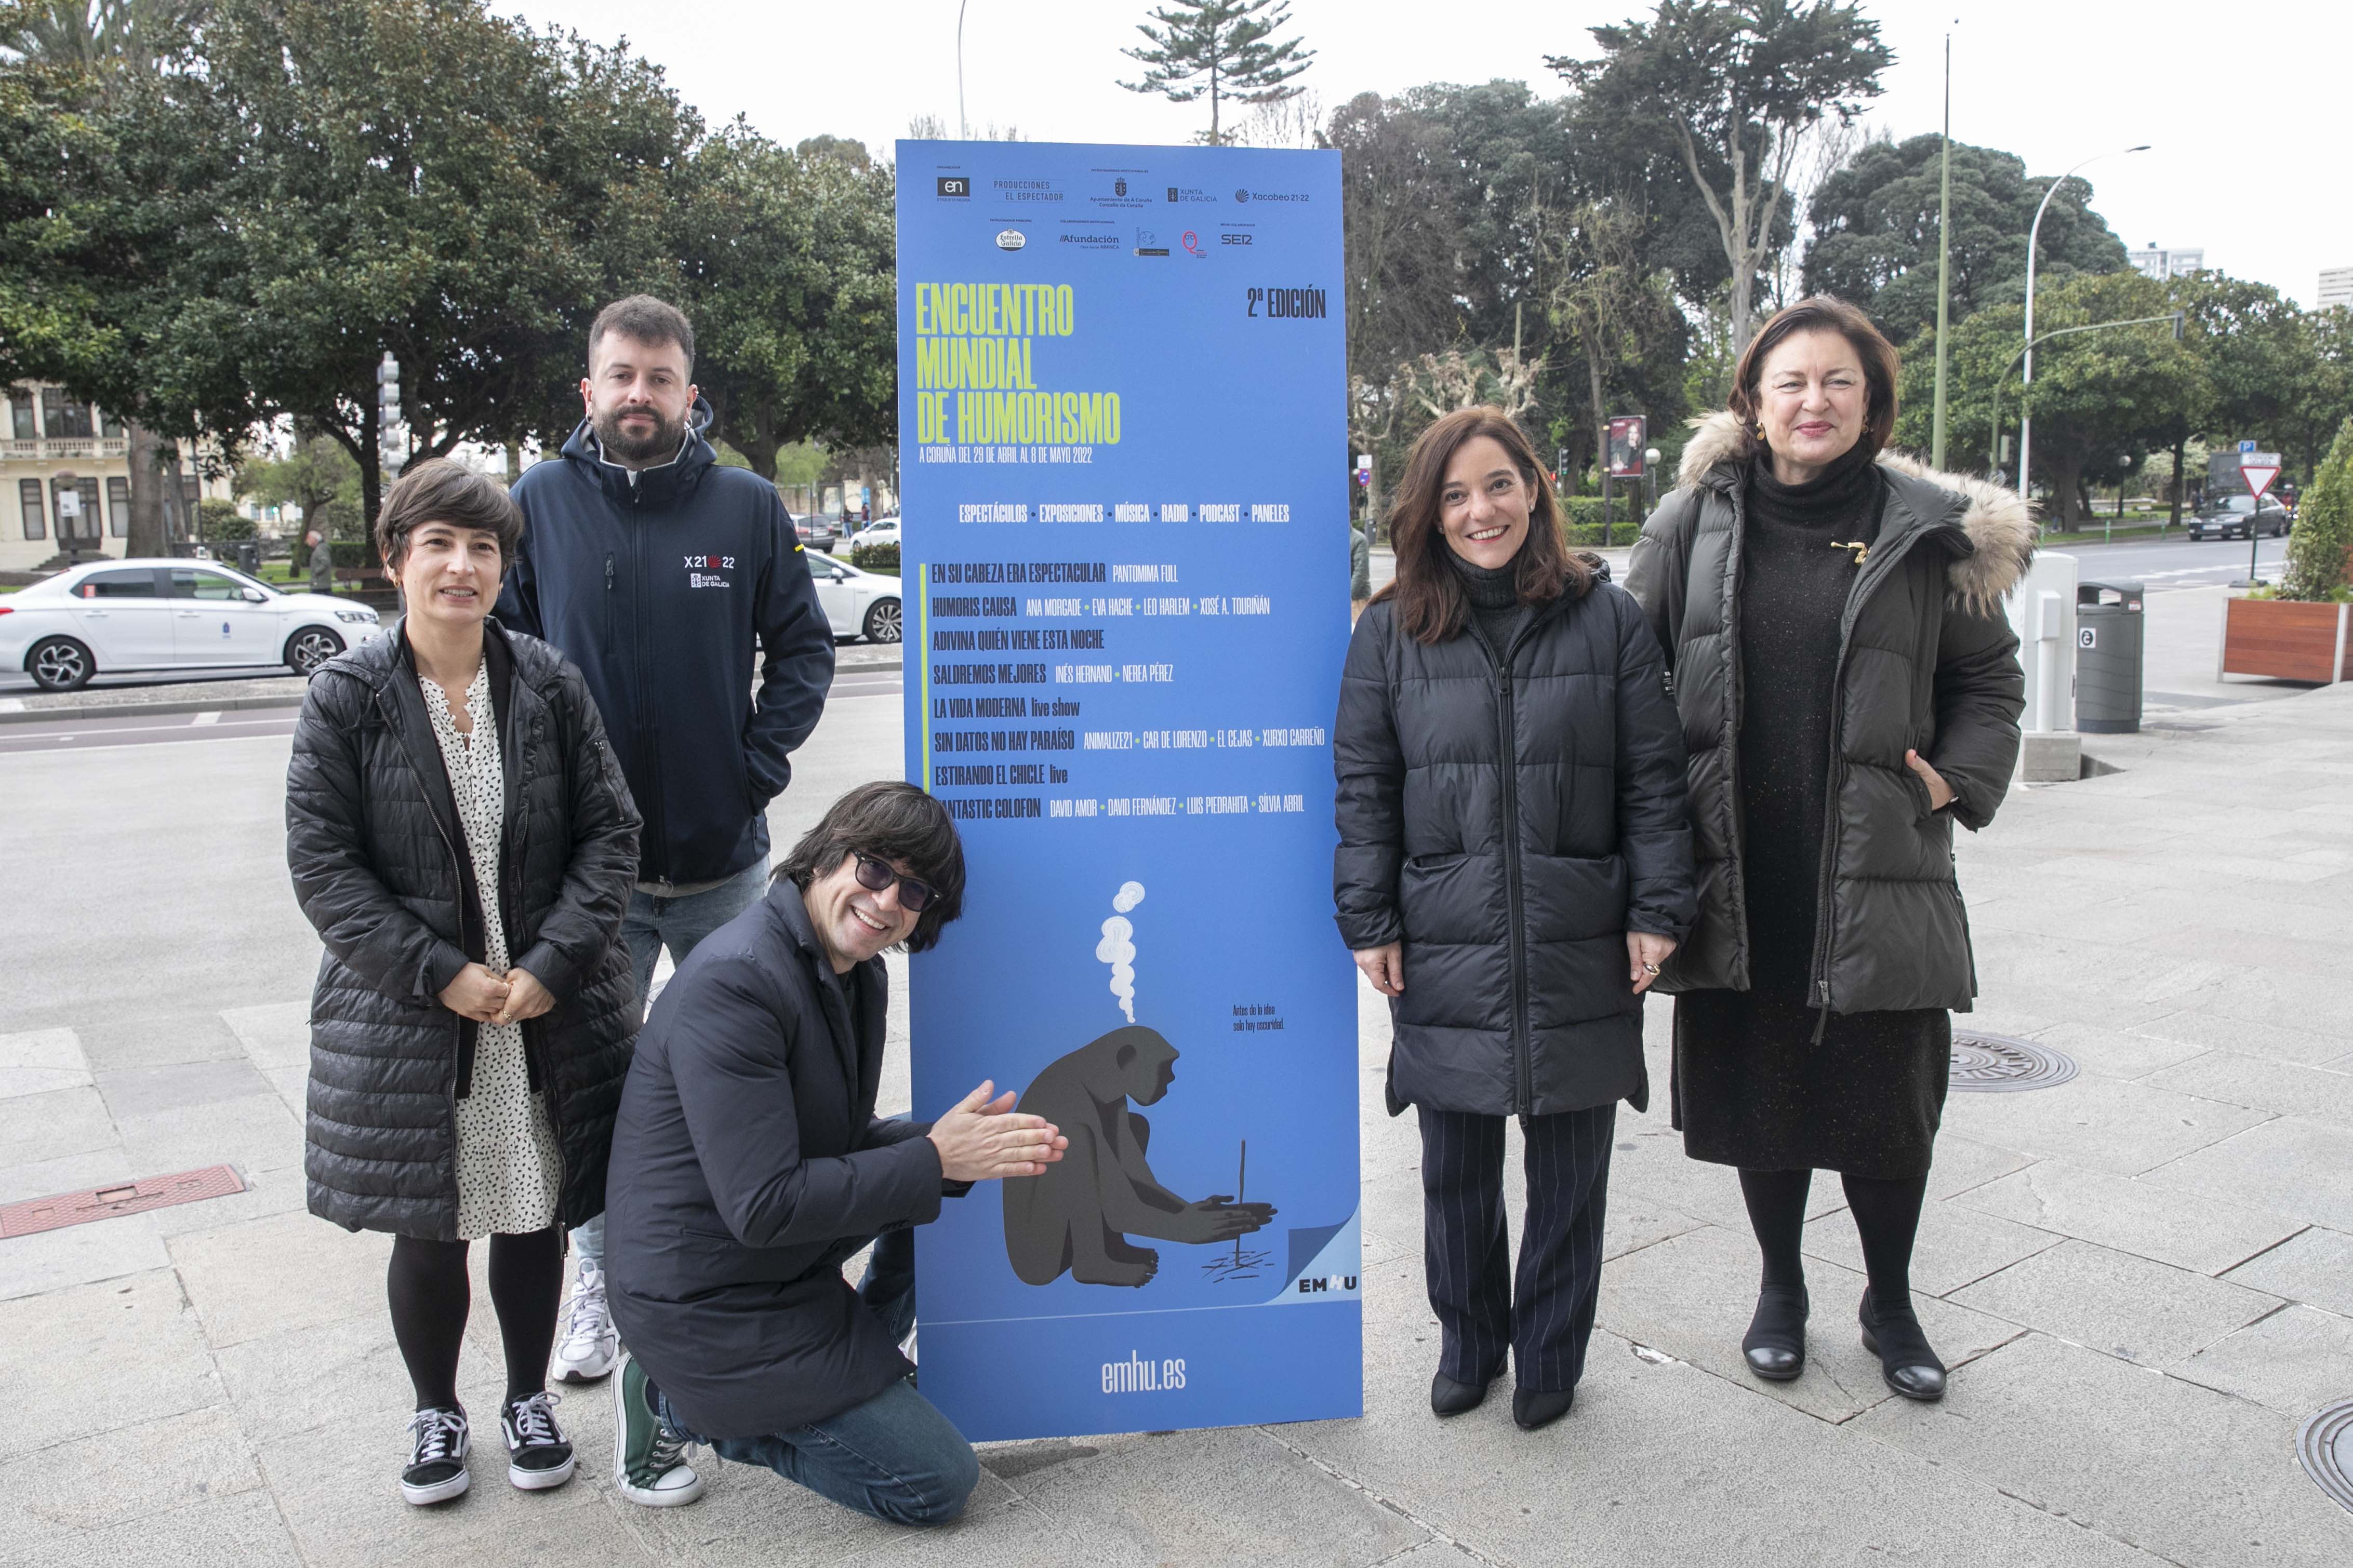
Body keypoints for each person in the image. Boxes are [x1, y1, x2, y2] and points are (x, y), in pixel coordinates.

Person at [1626, 297, 2028, 1402]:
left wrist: (1953, 778)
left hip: (1874, 862)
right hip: (1736, 859)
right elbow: (1627, 669)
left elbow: (1986, 682)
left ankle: (1889, 1299)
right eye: (1790, 381)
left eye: (1837, 382)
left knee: (1885, 1105)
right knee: (1763, 1090)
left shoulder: (1925, 525)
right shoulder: (1689, 520)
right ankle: (1779, 1287)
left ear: (1870, 401)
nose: (1813, 400)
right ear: (1752, 402)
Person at [285, 460, 642, 1505]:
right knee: (428, 1221)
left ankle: (526, 1397)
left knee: (535, 1207)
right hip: (413, 1015)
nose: (460, 565)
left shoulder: (545, 681)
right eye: (437, 543)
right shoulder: (346, 694)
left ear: (502, 569)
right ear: (395, 559)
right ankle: (434, 1409)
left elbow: (609, 835)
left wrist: (548, 966)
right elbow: (324, 868)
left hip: (542, 1006)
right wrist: (439, 974)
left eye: (483, 548)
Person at [497, 294, 837, 1383]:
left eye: (658, 377)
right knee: (592, 1098)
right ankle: (603, 1287)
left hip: (725, 866)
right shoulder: (539, 501)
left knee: (760, 1077)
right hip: (588, 883)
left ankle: (771, 1274)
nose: (637, 395)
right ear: (586, 389)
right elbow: (499, 662)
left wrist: (751, 768)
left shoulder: (742, 507)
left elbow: (803, 652)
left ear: (690, 395)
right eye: (619, 375)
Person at [1333, 407, 1695, 1431]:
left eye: (1496, 484)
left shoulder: (1604, 617)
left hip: (1580, 925)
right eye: (1452, 494)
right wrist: (1368, 918)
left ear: (1533, 490)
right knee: (1452, 1166)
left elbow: (1652, 780)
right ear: (1425, 512)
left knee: (1569, 1166)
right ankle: (1467, 1341)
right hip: (1443, 929)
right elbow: (1363, 783)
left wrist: (1657, 908)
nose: (1478, 509)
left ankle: (1546, 1352)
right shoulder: (1390, 628)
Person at [602, 782, 1067, 1521]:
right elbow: (763, 1205)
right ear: (825, 853)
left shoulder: (853, 971)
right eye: (875, 868)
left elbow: (842, 1144)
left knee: (949, 1149)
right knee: (937, 1482)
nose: (887, 901)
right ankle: (674, 1402)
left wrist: (957, 1151)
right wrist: (935, 1158)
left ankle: (867, 1349)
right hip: (706, 1296)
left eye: (913, 890)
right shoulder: (737, 979)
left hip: (772, 1265)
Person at [1350, 515, 1372, 620]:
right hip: (1344, 598)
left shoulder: (1359, 539)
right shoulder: (1336, 539)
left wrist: (1347, 596)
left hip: (1358, 599)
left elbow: (1361, 572)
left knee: (1359, 634)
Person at [305, 528, 334, 597]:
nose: (307, 541)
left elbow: (326, 562)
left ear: (314, 540)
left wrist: (316, 571)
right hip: (321, 583)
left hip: (319, 583)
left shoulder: (320, 549)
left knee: (316, 600)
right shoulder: (321, 548)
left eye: (309, 539)